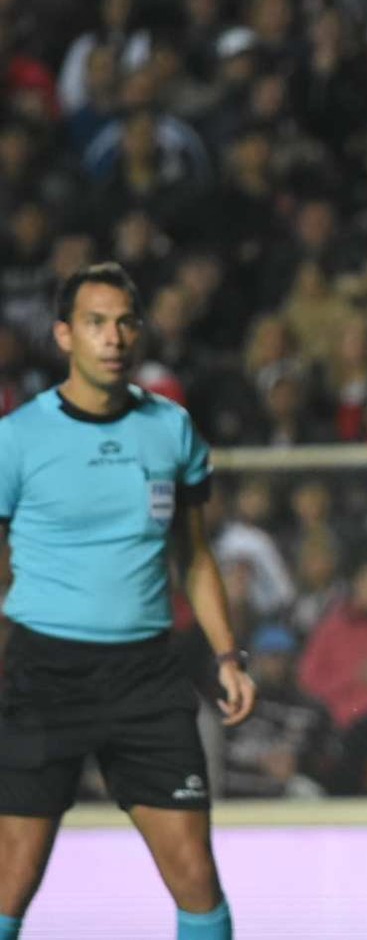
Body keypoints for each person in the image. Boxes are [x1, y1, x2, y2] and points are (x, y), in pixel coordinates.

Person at [0, 263, 256, 940]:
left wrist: (229, 655)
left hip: (145, 677)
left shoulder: (171, 430)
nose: (112, 337)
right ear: (63, 334)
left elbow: (194, 555)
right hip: (43, 674)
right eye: (94, 322)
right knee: (10, 881)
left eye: (123, 321)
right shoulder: (17, 439)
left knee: (196, 876)